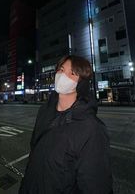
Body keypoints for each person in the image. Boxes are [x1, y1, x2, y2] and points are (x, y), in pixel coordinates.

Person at [19, 55, 113, 194]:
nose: (62, 76)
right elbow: (34, 153)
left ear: (81, 83)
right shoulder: (44, 111)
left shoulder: (92, 128)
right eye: (61, 70)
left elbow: (95, 185)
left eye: (72, 73)